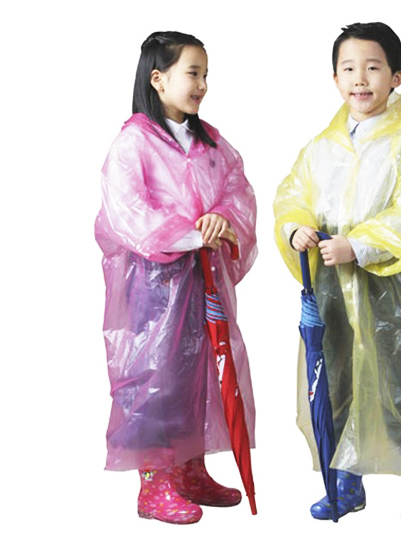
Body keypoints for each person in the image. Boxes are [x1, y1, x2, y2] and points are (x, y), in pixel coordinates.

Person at [274, 22, 401, 528]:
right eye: (348, 68)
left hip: (390, 289)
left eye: (373, 67)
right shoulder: (322, 146)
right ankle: (344, 480)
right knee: (336, 378)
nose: (360, 78)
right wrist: (295, 229)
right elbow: (293, 194)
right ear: (335, 78)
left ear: (396, 77)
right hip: (332, 288)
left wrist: (359, 245)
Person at [95, 31, 257, 525]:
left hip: (204, 280)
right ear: (158, 78)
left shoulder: (211, 143)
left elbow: (237, 190)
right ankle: (154, 484)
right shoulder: (134, 143)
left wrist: (223, 218)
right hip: (154, 284)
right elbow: (127, 213)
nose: (202, 84)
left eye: (206, 74)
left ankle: (190, 469)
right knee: (156, 378)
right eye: (193, 73)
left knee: (201, 374)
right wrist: (192, 233)